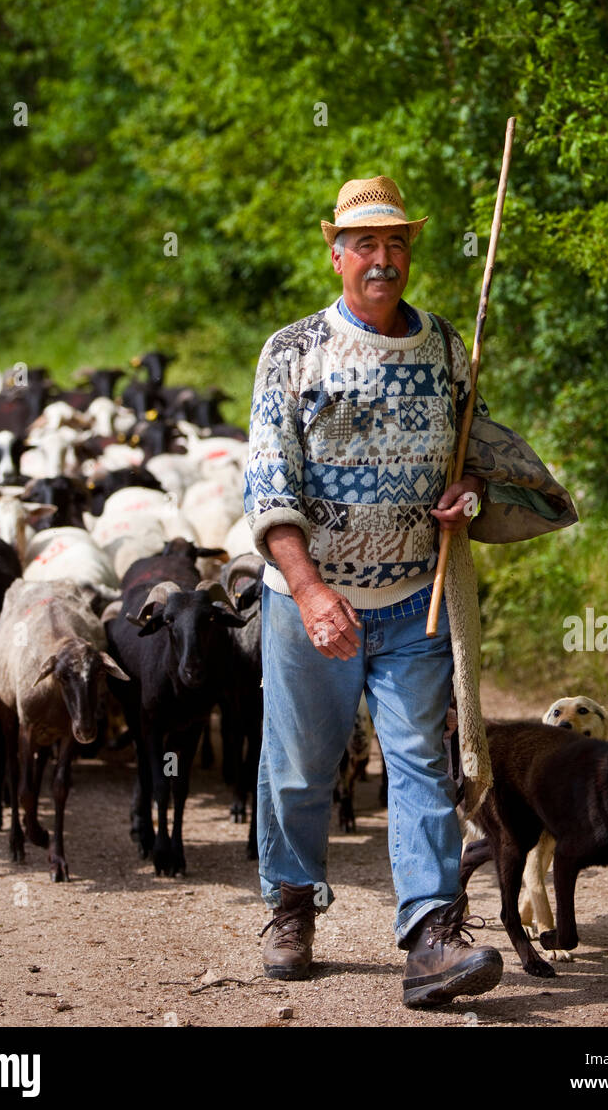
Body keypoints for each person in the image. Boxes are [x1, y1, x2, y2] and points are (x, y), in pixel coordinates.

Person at [243, 175, 576, 1008]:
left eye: (395, 243)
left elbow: (472, 448)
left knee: (423, 766)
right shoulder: (293, 352)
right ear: (337, 254)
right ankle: (291, 905)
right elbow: (268, 486)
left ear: (409, 251)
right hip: (311, 604)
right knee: (298, 769)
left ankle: (431, 934)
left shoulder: (444, 347)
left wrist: (468, 491)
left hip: (414, 599)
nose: (382, 259)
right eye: (365, 244)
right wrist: (311, 590)